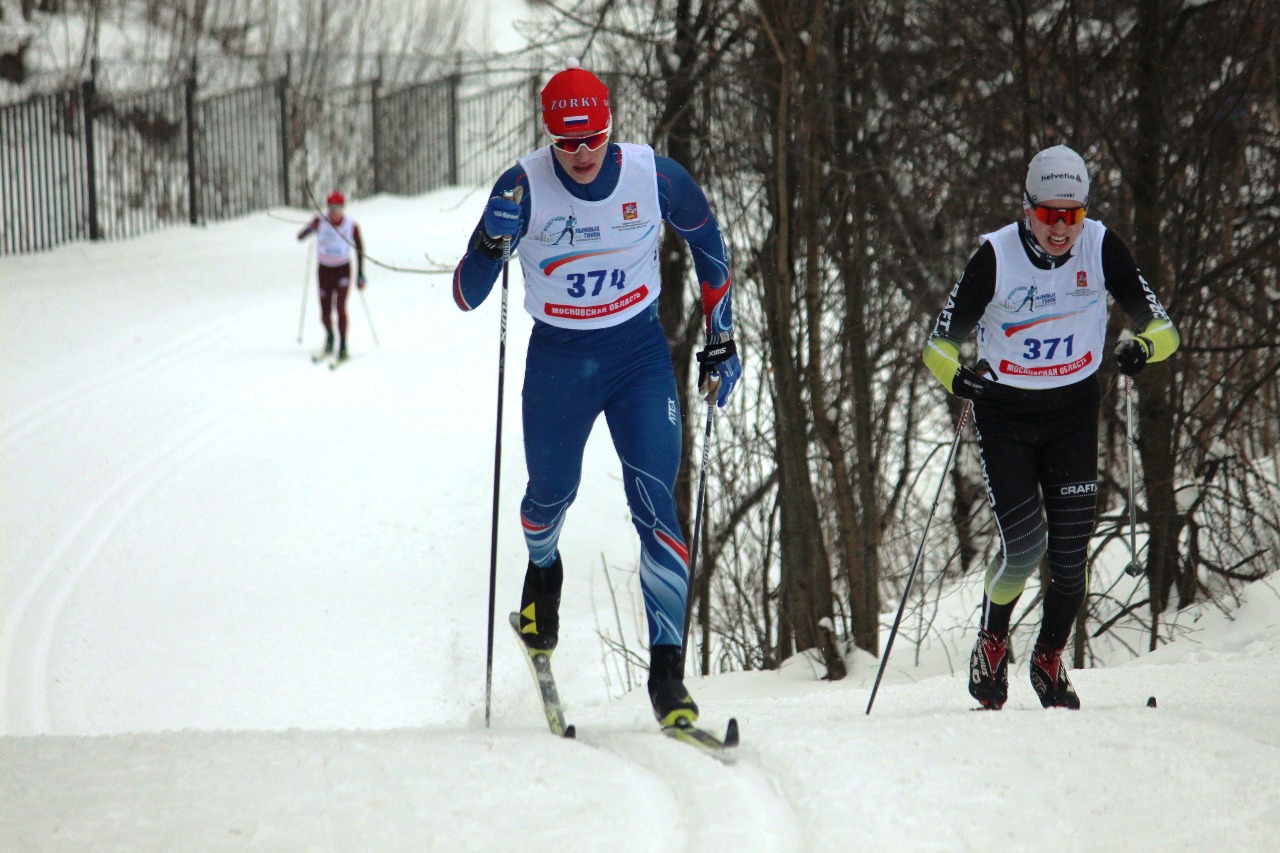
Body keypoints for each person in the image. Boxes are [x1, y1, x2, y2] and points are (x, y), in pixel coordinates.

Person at [452, 59, 741, 728]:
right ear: (549, 137)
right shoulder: (522, 188)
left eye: (592, 139)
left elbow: (708, 242)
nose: (581, 156)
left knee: (655, 507)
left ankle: (667, 676)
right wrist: (493, 239)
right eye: (566, 143)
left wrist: (721, 335)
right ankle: (543, 574)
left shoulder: (653, 175)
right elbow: (467, 295)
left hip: (637, 355)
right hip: (559, 358)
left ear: (611, 128)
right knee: (546, 499)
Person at [922, 144, 1180, 710]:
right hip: (1005, 414)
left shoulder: (1101, 246)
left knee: (1069, 554)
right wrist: (957, 378)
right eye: (1049, 214)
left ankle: (1048, 657)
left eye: (1073, 214)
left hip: (1072, 414)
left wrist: (1141, 347)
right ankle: (993, 640)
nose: (1061, 228)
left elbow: (1164, 330)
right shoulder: (995, 256)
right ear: (1027, 208)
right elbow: (938, 345)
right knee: (1024, 547)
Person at [298, 190, 365, 362]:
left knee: (340, 307)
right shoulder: (321, 221)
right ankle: (330, 337)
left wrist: (360, 274)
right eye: (331, 207)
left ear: (343, 208)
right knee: (325, 312)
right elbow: (300, 237)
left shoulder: (351, 225)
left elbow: (360, 249)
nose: (334, 211)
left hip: (342, 269)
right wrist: (310, 228)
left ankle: (343, 345)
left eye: (338, 207)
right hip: (325, 271)